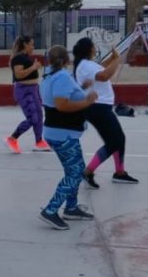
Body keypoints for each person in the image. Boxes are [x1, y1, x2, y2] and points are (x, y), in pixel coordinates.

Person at [38, 45, 98, 230]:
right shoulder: (62, 76)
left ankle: (71, 208)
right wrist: (87, 100)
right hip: (63, 132)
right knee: (75, 172)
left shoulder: (50, 75)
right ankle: (51, 210)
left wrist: (81, 88)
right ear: (66, 60)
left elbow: (63, 95)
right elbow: (62, 105)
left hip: (59, 131)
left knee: (74, 170)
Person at [73, 37, 139, 187]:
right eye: (94, 47)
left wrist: (113, 58)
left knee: (119, 139)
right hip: (97, 108)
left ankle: (120, 172)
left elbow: (101, 68)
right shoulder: (85, 65)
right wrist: (117, 59)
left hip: (100, 107)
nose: (96, 49)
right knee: (115, 141)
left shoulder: (87, 64)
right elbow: (104, 76)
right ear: (89, 49)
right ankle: (88, 171)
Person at [4, 36, 49, 153]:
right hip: (24, 91)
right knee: (32, 118)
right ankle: (12, 138)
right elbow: (18, 75)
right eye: (31, 45)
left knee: (39, 117)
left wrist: (35, 68)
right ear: (25, 45)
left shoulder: (25, 58)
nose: (33, 48)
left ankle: (39, 142)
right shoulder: (18, 58)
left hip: (33, 90)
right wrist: (33, 67)